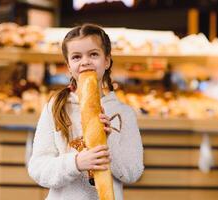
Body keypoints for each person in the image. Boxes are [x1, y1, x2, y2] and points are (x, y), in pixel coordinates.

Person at [28, 24, 144, 200]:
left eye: (93, 54)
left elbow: (133, 172)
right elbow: (38, 169)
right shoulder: (55, 107)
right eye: (76, 57)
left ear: (107, 60)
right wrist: (76, 163)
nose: (85, 61)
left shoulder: (124, 113)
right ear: (68, 65)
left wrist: (108, 140)